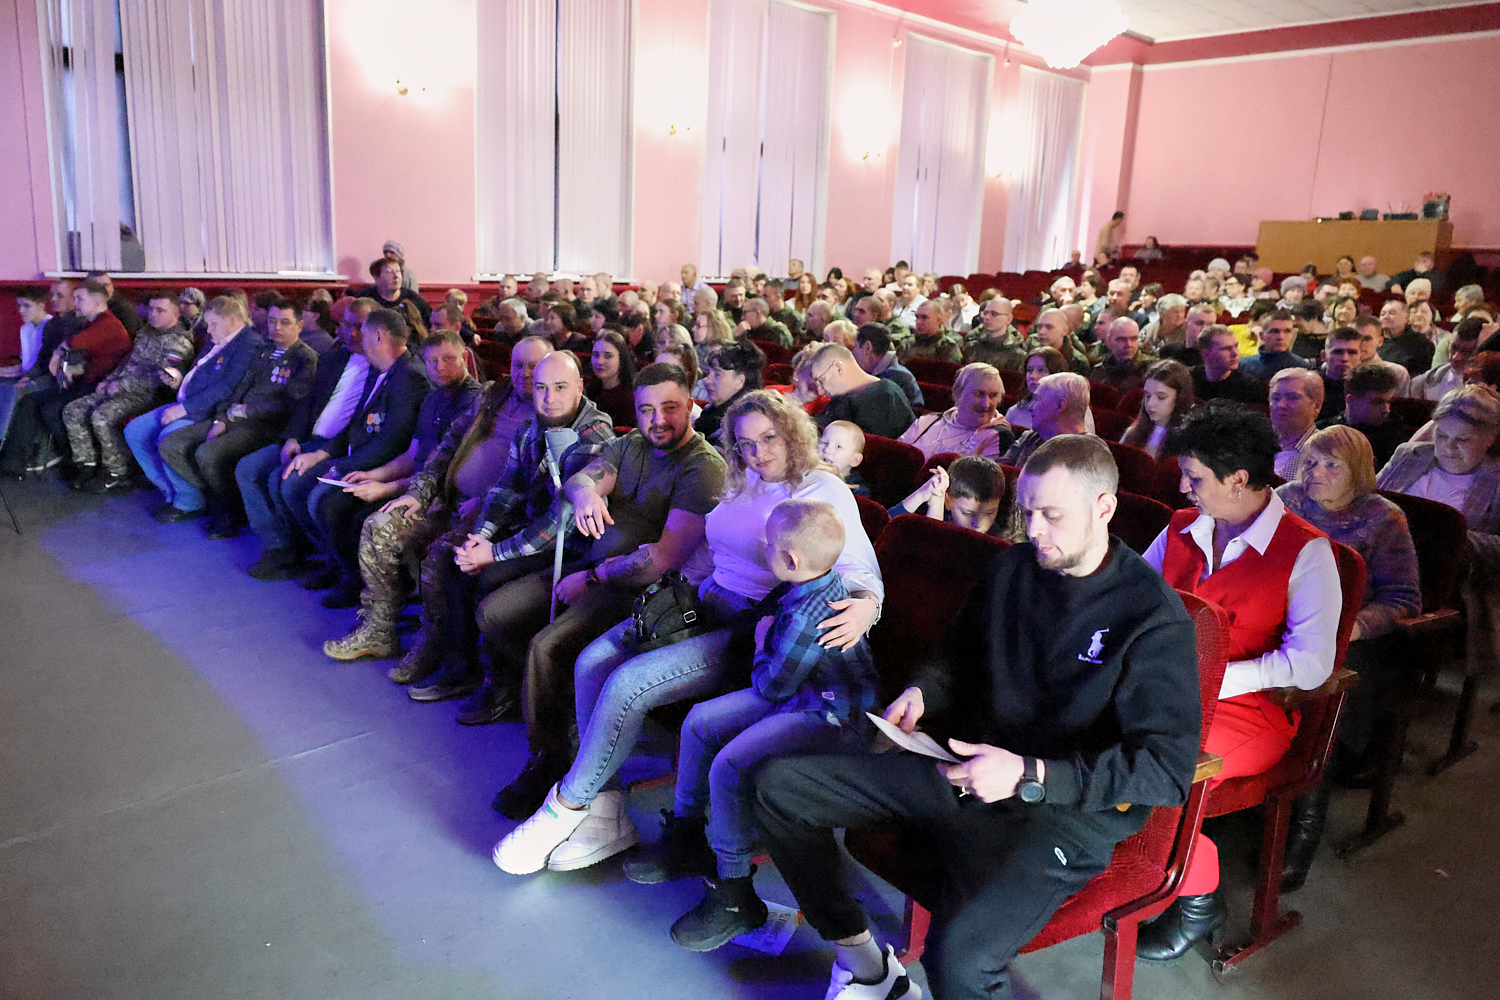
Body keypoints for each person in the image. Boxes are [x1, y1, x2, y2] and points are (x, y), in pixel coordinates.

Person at [756, 434, 1200, 999]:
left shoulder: (1151, 616)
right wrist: (922, 693)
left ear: (1104, 508)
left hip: (1061, 812)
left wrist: (1029, 774)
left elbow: (1166, 771)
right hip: (965, 770)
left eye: (1052, 516)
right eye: (1027, 513)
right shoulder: (1014, 567)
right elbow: (956, 655)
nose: (1034, 530)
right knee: (779, 788)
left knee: (960, 961)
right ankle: (866, 965)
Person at [492, 390, 880, 873]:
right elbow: (713, 551)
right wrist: (671, 598)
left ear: (793, 434)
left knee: (628, 684)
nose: (758, 453)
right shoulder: (742, 478)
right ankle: (606, 810)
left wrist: (868, 607)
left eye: (769, 438)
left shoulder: (823, 489)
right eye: (745, 444)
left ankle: (566, 806)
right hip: (700, 601)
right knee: (591, 661)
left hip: (750, 625)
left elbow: (860, 572)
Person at [1138, 402, 1340, 960]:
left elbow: (1312, 663)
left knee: (1152, 762)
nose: (1183, 488)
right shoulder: (1183, 527)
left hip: (1247, 706)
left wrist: (1214, 680)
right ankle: (1119, 865)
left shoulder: (1305, 551)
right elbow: (1136, 595)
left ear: (1238, 479)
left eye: (1194, 477)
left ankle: (1198, 901)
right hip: (1170, 688)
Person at [483, 363, 728, 820]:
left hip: (644, 595)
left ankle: (552, 757)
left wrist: (594, 578)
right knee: (497, 613)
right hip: (594, 569)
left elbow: (661, 559)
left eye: (669, 408)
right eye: (646, 409)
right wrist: (585, 495)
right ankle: (552, 711)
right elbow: (582, 479)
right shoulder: (631, 444)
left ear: (691, 405)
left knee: (547, 647)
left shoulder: (702, 468)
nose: (657, 420)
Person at [638, 498, 880, 950]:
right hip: (803, 690)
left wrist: (760, 637)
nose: (764, 549)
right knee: (699, 722)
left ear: (792, 560)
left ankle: (735, 892)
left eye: (768, 546)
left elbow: (771, 686)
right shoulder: (811, 581)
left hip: (829, 716)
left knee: (729, 765)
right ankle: (688, 835)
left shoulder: (807, 616)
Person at [322, 338, 552, 671]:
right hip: (447, 500)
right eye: (519, 365)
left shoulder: (551, 411)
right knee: (379, 526)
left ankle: (433, 643)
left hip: (493, 519)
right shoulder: (493, 395)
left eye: (534, 366)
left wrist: (483, 502)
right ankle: (380, 629)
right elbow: (446, 448)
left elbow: (535, 486)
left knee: (439, 558)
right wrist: (417, 494)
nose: (525, 373)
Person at [403, 351, 616, 704]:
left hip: (570, 547)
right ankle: (462, 670)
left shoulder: (593, 437)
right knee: (457, 563)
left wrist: (494, 553)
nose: (549, 397)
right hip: (530, 531)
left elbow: (560, 520)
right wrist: (481, 536)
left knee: (489, 578)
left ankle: (501, 687)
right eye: (541, 388)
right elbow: (507, 488)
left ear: (579, 388)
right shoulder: (532, 426)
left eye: (560, 387)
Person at [1279, 427, 1420, 794]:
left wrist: (1351, 628)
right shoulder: (1286, 498)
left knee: (1335, 670)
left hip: (1352, 630)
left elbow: (1403, 598)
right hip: (1285, 614)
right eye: (1310, 462)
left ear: (1357, 472)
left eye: (1332, 465)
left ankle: (1319, 773)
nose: (1315, 473)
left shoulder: (1384, 519)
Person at [308, 332, 480, 606]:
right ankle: (359, 580)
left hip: (440, 494)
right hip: (413, 484)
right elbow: (412, 455)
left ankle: (387, 597)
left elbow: (446, 473)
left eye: (448, 359)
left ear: (465, 358)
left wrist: (386, 488)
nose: (440, 367)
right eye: (433, 361)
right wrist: (373, 475)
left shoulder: (473, 403)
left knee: (359, 516)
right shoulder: (433, 398)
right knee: (337, 503)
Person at [158, 296, 316, 537]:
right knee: (172, 443)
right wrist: (221, 419)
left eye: (285, 322)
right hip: (234, 418)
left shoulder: (304, 358)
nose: (277, 327)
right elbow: (239, 387)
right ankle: (213, 500)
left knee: (208, 453)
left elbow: (291, 402)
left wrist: (247, 411)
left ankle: (230, 513)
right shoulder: (263, 351)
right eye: (272, 321)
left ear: (299, 325)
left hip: (267, 426)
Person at [1378, 385, 1500, 676]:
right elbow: (1369, 500)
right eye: (1441, 435)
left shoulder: (1496, 481)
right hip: (1382, 562)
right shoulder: (1410, 455)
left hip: (1448, 583)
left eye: (1462, 440)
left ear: (1489, 439)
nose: (1448, 447)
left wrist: (1449, 535)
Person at [123, 295, 262, 521]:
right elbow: (197, 369)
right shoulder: (218, 337)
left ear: (232, 320)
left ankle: (189, 500)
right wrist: (178, 378)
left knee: (167, 437)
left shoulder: (248, 344)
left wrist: (185, 409)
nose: (208, 329)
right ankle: (170, 490)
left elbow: (227, 387)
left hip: (207, 411)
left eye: (213, 323)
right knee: (134, 430)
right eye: (208, 324)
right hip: (187, 402)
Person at [62, 292, 194, 493]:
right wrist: (109, 379)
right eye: (151, 309)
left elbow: (160, 380)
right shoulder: (146, 332)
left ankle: (118, 471)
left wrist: (119, 386)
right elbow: (129, 361)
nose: (153, 314)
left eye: (160, 310)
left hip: (147, 396)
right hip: (120, 386)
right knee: (73, 410)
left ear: (176, 314)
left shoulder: (178, 343)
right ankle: (87, 464)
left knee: (101, 417)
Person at [898, 363, 1013, 461]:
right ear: (958, 392)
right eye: (979, 394)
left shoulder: (997, 436)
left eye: (993, 396)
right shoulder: (928, 421)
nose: (986, 404)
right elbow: (897, 457)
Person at [808, 343, 915, 439]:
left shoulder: (882, 397)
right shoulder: (844, 396)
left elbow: (872, 449)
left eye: (821, 381)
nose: (820, 391)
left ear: (838, 368)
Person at [890, 454, 1007, 536]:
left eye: (989, 513)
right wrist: (921, 495)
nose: (978, 524)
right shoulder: (925, 511)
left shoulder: (995, 538)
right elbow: (887, 525)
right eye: (967, 513)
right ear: (947, 501)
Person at [1319, 363, 1408, 469]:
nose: (1386, 410)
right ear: (1351, 400)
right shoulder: (1324, 432)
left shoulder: (1393, 436)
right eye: (1377, 402)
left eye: (1389, 401)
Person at [1002, 372, 1090, 469]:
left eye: (1037, 399)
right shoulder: (1030, 437)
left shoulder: (1091, 453)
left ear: (1060, 406)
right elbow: (1000, 469)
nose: (1030, 407)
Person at [695, 340, 765, 445]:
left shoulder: (741, 423)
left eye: (717, 374)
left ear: (740, 381)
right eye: (708, 373)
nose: (707, 380)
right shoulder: (710, 412)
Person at [1121, 359, 1194, 459]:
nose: (1150, 404)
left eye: (1161, 397)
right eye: (1147, 395)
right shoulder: (1133, 432)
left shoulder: (1188, 443)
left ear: (1179, 399)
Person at [1409, 316, 1482, 402]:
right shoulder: (1422, 384)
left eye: (1467, 352)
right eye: (1454, 348)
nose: (1455, 358)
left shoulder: (1492, 387)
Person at [1268, 368, 1323, 481]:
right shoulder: (1254, 445)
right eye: (1276, 398)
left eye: (1292, 398)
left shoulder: (1324, 452)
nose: (1281, 405)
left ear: (1316, 406)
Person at [852, 324, 923, 409]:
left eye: (855, 346)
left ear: (868, 347)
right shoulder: (877, 372)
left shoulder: (898, 377)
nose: (853, 352)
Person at [1192, 325, 1265, 405]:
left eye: (1236, 346)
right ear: (1205, 353)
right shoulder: (1190, 380)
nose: (1235, 353)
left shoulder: (1249, 387)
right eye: (1226, 349)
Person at [352, 257, 431, 325]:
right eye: (389, 272)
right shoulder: (366, 297)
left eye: (398, 271)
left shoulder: (413, 299)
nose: (396, 276)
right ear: (376, 277)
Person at [1241, 310, 1313, 383]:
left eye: (1287, 331)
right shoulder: (1243, 366)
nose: (1281, 337)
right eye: (1275, 331)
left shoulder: (1303, 368)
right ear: (1262, 335)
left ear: (1292, 335)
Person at [1090, 316, 1153, 396]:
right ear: (1108, 341)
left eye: (1134, 339)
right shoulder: (1099, 371)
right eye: (1121, 339)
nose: (1129, 345)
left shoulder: (1151, 370)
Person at [587, 330, 637, 428]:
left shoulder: (632, 398)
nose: (600, 361)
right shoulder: (589, 391)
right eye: (596, 355)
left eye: (608, 356)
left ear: (621, 359)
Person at [964, 297, 1026, 371]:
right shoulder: (973, 347)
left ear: (1009, 319)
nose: (986, 317)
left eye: (994, 314)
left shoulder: (1017, 355)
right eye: (985, 313)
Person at [901, 299, 963, 364]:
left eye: (924, 317)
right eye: (917, 317)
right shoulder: (907, 343)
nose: (918, 322)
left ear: (938, 319)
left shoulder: (947, 347)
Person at [818, 420, 866, 495]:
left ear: (855, 460)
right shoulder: (807, 472)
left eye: (838, 447)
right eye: (824, 442)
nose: (827, 450)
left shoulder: (857, 491)